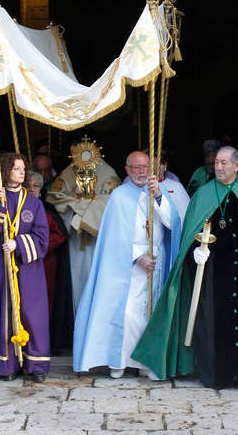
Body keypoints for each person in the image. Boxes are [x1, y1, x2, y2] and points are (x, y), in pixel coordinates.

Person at [132, 146, 238, 390]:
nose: (218, 167)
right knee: (215, 325)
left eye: (224, 163)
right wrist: (195, 253)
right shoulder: (204, 194)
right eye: (217, 163)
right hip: (213, 273)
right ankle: (217, 375)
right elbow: (191, 231)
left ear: (236, 166)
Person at [73, 150, 182, 380]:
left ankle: (147, 363)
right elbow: (115, 236)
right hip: (128, 265)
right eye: (136, 168)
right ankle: (120, 361)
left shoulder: (158, 191)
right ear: (127, 170)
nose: (141, 172)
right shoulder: (119, 196)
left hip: (157, 264)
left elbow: (171, 221)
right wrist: (139, 256)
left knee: (151, 314)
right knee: (129, 314)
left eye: (145, 168)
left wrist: (159, 196)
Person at [0, 152, 50, 382]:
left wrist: (18, 243)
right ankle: (6, 364)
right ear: (5, 171)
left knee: (30, 311)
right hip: (0, 263)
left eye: (23, 168)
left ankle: (35, 364)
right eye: (16, 168)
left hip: (27, 267)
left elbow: (42, 238)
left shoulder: (34, 203)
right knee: (3, 308)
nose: (22, 172)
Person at [46, 135, 120, 313]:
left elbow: (114, 201)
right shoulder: (68, 172)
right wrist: (77, 205)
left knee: (97, 278)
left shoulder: (107, 172)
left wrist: (90, 206)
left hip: (98, 240)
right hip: (75, 238)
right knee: (76, 278)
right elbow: (54, 197)